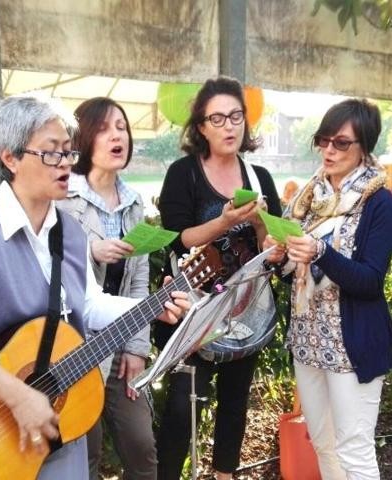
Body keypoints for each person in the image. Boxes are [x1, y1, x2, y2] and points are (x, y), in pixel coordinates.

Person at [0, 95, 190, 478]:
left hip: (59, 420)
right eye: (50, 154)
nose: (64, 164)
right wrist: (18, 395)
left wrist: (151, 307)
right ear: (10, 158)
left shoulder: (70, 232)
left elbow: (88, 305)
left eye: (68, 152)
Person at [264, 98, 392, 480]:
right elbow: (296, 274)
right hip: (308, 339)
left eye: (341, 143)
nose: (328, 150)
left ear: (364, 148)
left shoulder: (378, 201)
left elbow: (371, 281)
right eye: (323, 140)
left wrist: (321, 251)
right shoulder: (311, 196)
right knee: (322, 442)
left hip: (351, 344)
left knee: (354, 450)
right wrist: (280, 260)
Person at [156, 76, 281, 480]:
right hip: (192, 307)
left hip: (246, 307)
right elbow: (177, 240)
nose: (229, 126)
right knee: (181, 408)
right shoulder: (184, 173)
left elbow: (270, 251)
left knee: (234, 403)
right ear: (201, 127)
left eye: (236, 116)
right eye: (218, 118)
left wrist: (265, 226)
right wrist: (223, 221)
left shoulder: (259, 177)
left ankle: (225, 474)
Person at [57, 97, 156, 479]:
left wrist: (136, 347)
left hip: (119, 344)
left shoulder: (133, 204)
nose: (117, 136)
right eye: (104, 128)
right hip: (73, 348)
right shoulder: (64, 198)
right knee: (85, 452)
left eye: (122, 126)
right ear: (82, 139)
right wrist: (89, 250)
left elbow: (140, 280)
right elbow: (46, 268)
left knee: (142, 447)